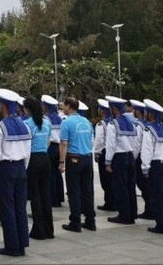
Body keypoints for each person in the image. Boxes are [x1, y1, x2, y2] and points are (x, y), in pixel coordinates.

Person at [0, 89, 32, 257]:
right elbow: (28, 152)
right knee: (20, 207)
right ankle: (22, 244)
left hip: (6, 168)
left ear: (2, 106)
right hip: (21, 167)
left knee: (7, 208)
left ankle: (12, 246)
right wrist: (23, 167)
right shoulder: (24, 125)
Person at [58, 96, 96, 233]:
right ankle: (90, 221)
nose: (62, 108)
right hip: (87, 158)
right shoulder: (86, 121)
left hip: (74, 159)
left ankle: (75, 222)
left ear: (69, 106)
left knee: (74, 191)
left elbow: (63, 143)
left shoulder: (66, 122)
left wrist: (61, 162)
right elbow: (91, 140)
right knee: (88, 191)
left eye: (64, 105)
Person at [140, 98, 163, 235]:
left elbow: (147, 150)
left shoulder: (149, 129)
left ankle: (162, 226)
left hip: (156, 165)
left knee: (158, 196)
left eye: (146, 112)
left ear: (150, 114)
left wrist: (145, 168)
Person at [24, 96, 54, 240]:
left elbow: (25, 145)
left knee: (35, 195)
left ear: (27, 109)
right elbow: (48, 142)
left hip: (33, 159)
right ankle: (49, 230)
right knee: (45, 194)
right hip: (45, 158)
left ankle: (39, 230)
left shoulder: (26, 124)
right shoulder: (46, 122)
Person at [104, 95, 137, 225]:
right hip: (130, 156)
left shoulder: (113, 124)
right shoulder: (130, 123)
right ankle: (132, 214)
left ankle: (124, 215)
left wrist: (108, 162)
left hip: (119, 157)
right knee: (130, 187)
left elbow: (111, 145)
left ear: (113, 108)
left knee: (121, 187)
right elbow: (135, 143)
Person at [129, 99, 152, 220]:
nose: (133, 111)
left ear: (138, 111)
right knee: (148, 185)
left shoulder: (139, 125)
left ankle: (150, 210)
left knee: (143, 185)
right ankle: (150, 209)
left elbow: (137, 145)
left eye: (134, 109)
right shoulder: (148, 124)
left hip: (141, 158)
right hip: (148, 157)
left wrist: (133, 158)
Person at [42, 94, 65, 208]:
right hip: (59, 146)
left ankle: (53, 199)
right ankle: (59, 197)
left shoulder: (45, 118)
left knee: (50, 174)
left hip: (50, 147)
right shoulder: (59, 117)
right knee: (57, 173)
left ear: (45, 106)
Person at [93, 99, 116, 211]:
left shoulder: (101, 124)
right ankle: (113, 201)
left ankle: (110, 203)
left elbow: (99, 141)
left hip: (104, 152)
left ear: (102, 111)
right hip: (114, 153)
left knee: (105, 180)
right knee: (112, 179)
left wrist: (96, 153)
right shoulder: (114, 123)